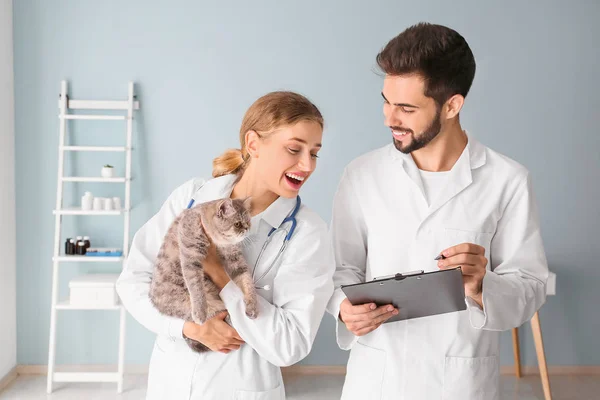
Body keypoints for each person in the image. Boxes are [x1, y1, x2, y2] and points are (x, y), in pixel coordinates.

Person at [326, 22, 549, 400]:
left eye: (406, 108)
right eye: (386, 101)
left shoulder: (507, 181)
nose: (388, 118)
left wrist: (482, 285)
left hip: (459, 384)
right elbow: (339, 269)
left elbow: (530, 288)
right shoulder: (361, 175)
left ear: (452, 105)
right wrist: (343, 307)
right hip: (376, 380)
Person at [116, 91, 334, 399]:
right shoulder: (192, 197)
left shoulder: (307, 233)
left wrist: (221, 274)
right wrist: (189, 328)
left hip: (240, 388)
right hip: (171, 383)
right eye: (294, 149)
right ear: (253, 143)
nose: (307, 165)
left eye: (314, 153)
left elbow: (291, 345)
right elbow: (133, 281)